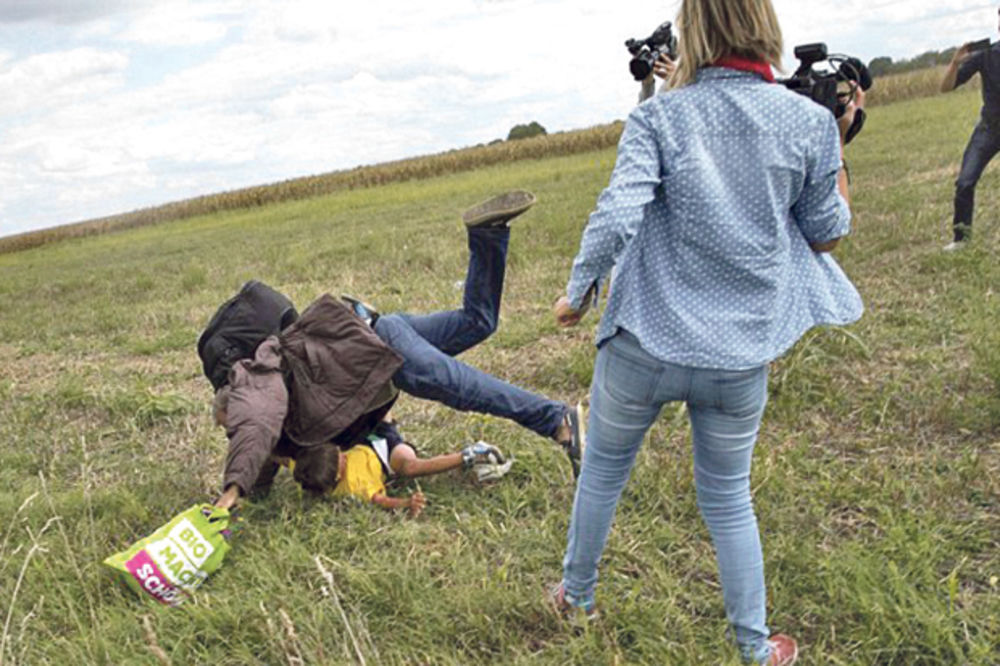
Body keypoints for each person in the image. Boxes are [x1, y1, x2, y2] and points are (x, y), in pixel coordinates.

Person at [549, 1, 865, 664]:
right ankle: (754, 647)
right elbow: (827, 232)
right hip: (739, 355)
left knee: (603, 472)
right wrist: (836, 146)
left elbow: (615, 216)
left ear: (694, 34)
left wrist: (577, 294)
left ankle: (576, 598)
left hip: (643, 339)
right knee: (727, 497)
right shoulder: (808, 122)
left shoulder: (659, 116)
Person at [212, 191, 584, 511]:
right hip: (380, 331)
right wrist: (251, 493)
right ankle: (487, 234)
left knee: (455, 384)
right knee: (477, 322)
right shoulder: (281, 423)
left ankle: (556, 420)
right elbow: (261, 450)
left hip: (383, 351)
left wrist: (230, 491)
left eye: (227, 424)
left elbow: (255, 423)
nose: (227, 431)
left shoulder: (252, 384)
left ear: (231, 401)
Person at [268, 419, 512, 518]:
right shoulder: (355, 486)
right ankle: (472, 454)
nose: (342, 456)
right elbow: (380, 500)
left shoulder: (304, 465)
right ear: (338, 476)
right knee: (410, 466)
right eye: (341, 459)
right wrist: (406, 503)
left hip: (362, 434)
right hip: (384, 451)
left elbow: (278, 457)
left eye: (337, 452)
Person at [940, 9, 1000, 251]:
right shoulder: (986, 55)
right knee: (965, 182)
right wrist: (955, 62)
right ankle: (961, 240)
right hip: (989, 129)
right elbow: (946, 87)